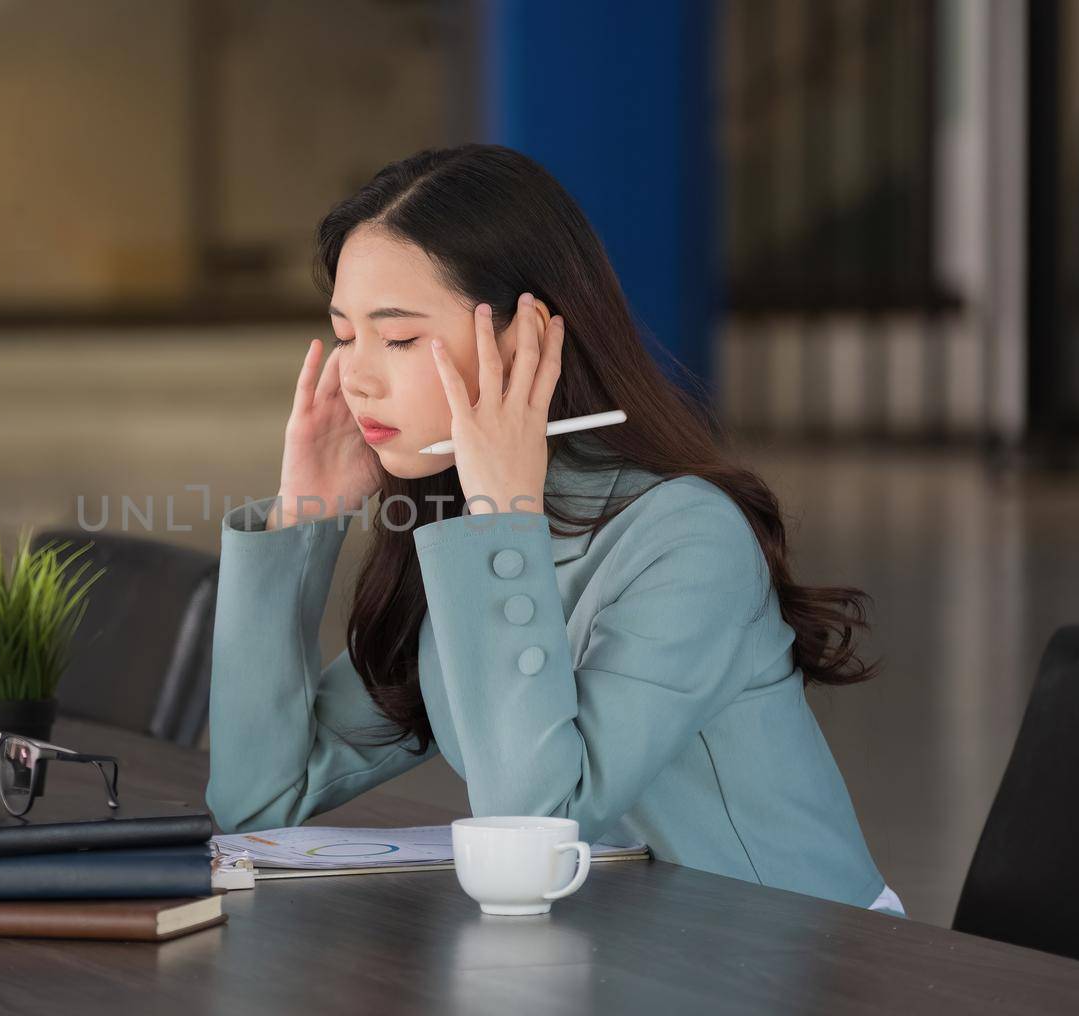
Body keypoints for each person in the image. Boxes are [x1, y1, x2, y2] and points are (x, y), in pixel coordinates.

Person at [203, 143, 902, 916]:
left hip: (802, 961)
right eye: (346, 332)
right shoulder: (455, 523)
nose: (358, 374)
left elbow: (532, 829)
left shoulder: (688, 537)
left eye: (397, 337)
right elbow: (257, 801)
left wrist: (504, 523)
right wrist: (302, 518)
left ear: (525, 336)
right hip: (622, 959)